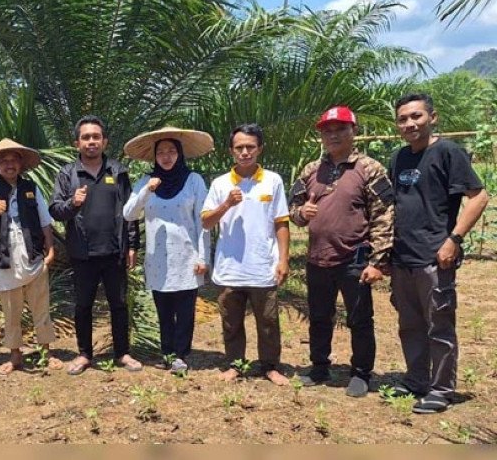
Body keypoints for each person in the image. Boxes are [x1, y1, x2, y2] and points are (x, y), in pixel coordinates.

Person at [389, 93, 488, 414]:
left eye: (416, 116)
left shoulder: (448, 152)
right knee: (410, 324)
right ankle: (416, 379)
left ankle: (441, 389)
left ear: (433, 117)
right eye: (403, 119)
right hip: (403, 257)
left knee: (439, 325)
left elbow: (479, 197)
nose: (409, 124)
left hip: (435, 257)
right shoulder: (399, 157)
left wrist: (453, 240)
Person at [289, 106, 393, 397]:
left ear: (353, 131)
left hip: (354, 259)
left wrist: (377, 261)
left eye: (340, 129)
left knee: (359, 319)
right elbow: (293, 208)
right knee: (319, 316)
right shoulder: (311, 170)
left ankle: (360, 373)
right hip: (318, 258)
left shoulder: (369, 169)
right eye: (327, 131)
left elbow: (385, 214)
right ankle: (319, 367)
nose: (333, 135)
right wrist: (302, 214)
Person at [49, 115, 142, 375]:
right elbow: (55, 210)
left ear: (104, 141)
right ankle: (84, 354)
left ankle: (122, 353)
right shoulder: (67, 174)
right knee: (83, 306)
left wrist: (132, 245)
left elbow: (131, 212)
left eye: (96, 137)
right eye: (86, 137)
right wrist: (73, 203)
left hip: (114, 252)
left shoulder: (118, 172)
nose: (91, 141)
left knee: (119, 304)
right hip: (83, 253)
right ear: (77, 143)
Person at [202, 124, 291, 386]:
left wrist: (283, 259)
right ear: (231, 151)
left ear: (260, 149)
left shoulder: (273, 181)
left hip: (263, 266)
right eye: (239, 147)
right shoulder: (220, 184)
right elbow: (206, 222)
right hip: (229, 268)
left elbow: (281, 222)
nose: (244, 152)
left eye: (250, 147)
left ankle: (270, 366)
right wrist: (227, 204)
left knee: (268, 321)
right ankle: (235, 364)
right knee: (231, 322)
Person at [122, 127, 213, 374]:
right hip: (158, 259)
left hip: (187, 256)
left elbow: (203, 222)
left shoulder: (193, 180)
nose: (166, 156)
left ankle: (181, 355)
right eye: (161, 152)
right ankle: (167, 353)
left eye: (172, 151)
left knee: (185, 311)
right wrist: (146, 191)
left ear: (179, 153)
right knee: (163, 310)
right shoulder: (146, 182)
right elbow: (129, 214)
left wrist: (203, 257)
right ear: (154, 156)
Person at [0, 138, 62, 374]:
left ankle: (46, 352)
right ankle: (15, 355)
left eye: (13, 160)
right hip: (4, 257)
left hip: (33, 254)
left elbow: (45, 221)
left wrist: (51, 249)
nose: (9, 165)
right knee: (11, 310)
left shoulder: (31, 188)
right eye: (4, 161)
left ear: (20, 164)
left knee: (41, 305)